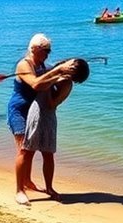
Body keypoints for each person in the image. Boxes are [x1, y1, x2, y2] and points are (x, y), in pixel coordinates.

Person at [7, 33, 79, 206]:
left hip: (36, 111)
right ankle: (19, 191)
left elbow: (50, 83)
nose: (48, 54)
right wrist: (56, 72)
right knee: (25, 150)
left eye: (49, 50)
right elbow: (36, 84)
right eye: (45, 50)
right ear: (34, 49)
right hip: (20, 110)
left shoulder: (44, 66)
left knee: (40, 152)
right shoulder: (24, 64)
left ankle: (35, 183)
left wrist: (64, 75)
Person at [22, 58, 90, 202]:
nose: (66, 63)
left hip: (46, 117)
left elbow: (52, 104)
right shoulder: (54, 73)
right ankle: (22, 185)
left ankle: (49, 187)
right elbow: (36, 83)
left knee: (48, 154)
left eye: (70, 64)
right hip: (35, 112)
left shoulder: (66, 83)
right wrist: (53, 75)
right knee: (28, 151)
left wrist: (52, 80)